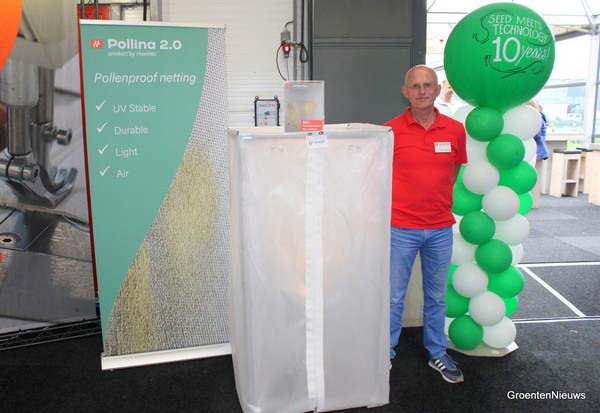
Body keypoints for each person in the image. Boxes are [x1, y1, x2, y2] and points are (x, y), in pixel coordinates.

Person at [384, 65, 468, 383]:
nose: (422, 91)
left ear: (436, 89)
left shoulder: (454, 130)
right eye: (415, 86)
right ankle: (385, 353)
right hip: (400, 228)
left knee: (436, 297)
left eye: (428, 85)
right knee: (393, 297)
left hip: (440, 229)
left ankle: (437, 352)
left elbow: (453, 173)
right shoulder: (390, 131)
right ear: (405, 91)